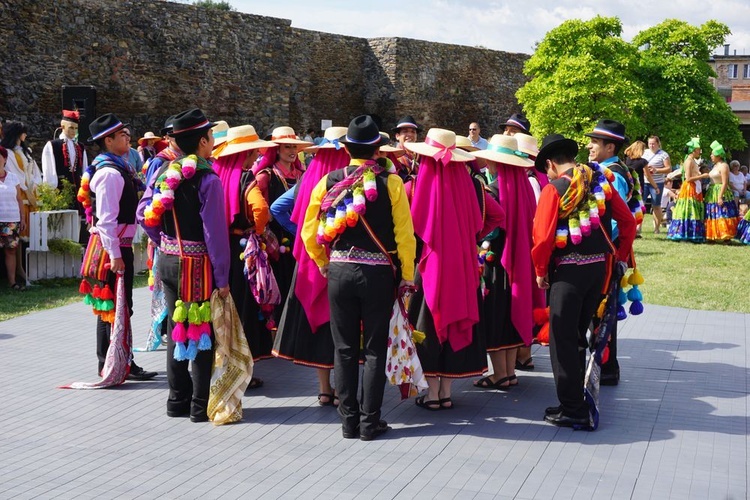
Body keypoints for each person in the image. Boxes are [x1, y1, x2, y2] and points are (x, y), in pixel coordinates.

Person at [301, 115, 415, 441]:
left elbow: (310, 232)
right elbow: (404, 236)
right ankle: (370, 422)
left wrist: (324, 262)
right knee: (376, 349)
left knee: (345, 348)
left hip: (339, 272)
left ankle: (348, 422)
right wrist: (406, 275)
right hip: (378, 273)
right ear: (378, 149)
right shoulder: (392, 183)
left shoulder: (328, 181)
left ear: (346, 148)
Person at [531, 134, 635, 428]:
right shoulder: (601, 182)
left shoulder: (555, 190)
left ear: (550, 164)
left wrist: (540, 270)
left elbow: (542, 236)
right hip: (598, 271)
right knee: (578, 334)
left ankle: (573, 408)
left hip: (567, 273)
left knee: (562, 339)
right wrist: (622, 255)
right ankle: (574, 399)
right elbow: (627, 222)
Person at [138, 108, 231, 422]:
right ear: (203, 141)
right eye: (212, 136)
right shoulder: (208, 179)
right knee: (200, 329)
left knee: (176, 326)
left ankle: (176, 400)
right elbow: (215, 235)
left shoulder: (164, 172)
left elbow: (144, 215)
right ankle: (198, 405)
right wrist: (222, 277)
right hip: (196, 265)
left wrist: (164, 239)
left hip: (167, 259)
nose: (214, 141)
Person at [273, 126, 350, 406]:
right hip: (343, 259)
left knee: (318, 326)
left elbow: (278, 208)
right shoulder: (347, 177)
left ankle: (324, 389)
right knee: (343, 326)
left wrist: (298, 236)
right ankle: (343, 389)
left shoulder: (308, 178)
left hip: (311, 259)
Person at [83, 113, 157, 381]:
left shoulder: (120, 168)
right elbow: (106, 220)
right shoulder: (110, 174)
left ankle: (120, 359)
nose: (127, 138)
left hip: (118, 246)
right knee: (112, 308)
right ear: (108, 140)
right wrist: (115, 255)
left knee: (120, 306)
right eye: (122, 135)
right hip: (111, 249)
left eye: (127, 134)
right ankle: (108, 362)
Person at [472, 134, 541, 390]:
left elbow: (489, 230)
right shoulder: (525, 186)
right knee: (512, 315)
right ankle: (510, 372)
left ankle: (499, 374)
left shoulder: (494, 189)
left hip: (496, 260)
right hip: (521, 258)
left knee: (495, 315)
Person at [211, 124, 276, 390]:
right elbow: (261, 210)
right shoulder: (246, 179)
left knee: (222, 310)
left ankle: (221, 366)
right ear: (248, 152)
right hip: (241, 249)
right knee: (243, 311)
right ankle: (241, 371)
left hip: (218, 246)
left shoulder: (216, 174)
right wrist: (256, 230)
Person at [585, 119, 642, 386]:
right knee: (601, 311)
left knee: (601, 311)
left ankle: (605, 367)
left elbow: (617, 220)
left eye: (595, 142)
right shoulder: (608, 170)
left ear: (610, 147)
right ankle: (605, 365)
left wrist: (602, 246)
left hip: (608, 254)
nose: (589, 146)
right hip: (610, 253)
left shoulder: (613, 175)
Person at [253, 126, 312, 340]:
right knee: (280, 283)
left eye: (294, 146)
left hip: (300, 241)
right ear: (276, 150)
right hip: (276, 242)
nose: (292, 151)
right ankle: (278, 333)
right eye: (287, 147)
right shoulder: (265, 176)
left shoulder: (302, 174)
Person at [2, 121, 42, 284]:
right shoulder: (8, 153)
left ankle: (24, 270)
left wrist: (35, 186)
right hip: (20, 197)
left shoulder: (28, 152)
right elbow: (15, 175)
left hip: (31, 195)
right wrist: (26, 187)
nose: (25, 135)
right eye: (23, 132)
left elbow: (34, 171)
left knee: (22, 239)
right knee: (16, 239)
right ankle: (17, 271)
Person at [667, 137, 708, 242]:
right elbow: (688, 178)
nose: (700, 151)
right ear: (693, 150)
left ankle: (691, 232)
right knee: (689, 210)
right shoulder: (689, 161)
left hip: (694, 187)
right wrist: (702, 176)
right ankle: (685, 233)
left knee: (692, 210)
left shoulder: (692, 160)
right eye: (698, 149)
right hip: (690, 187)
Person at [41, 110, 89, 196]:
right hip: (60, 192)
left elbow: (84, 170)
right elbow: (49, 170)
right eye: (71, 127)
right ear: (62, 127)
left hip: (78, 193)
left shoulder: (80, 147)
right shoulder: (52, 145)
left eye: (76, 128)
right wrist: (51, 190)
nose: (74, 131)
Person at [0, 146, 25, 290]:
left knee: (11, 250)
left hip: (11, 220)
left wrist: (22, 218)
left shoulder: (13, 177)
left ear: (4, 159)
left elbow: (19, 199)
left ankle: (12, 282)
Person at [704, 141, 739, 242]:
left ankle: (726, 237)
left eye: (712, 154)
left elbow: (724, 183)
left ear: (718, 155)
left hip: (720, 191)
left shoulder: (724, 166)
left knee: (722, 213)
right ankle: (712, 235)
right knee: (712, 213)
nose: (711, 156)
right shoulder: (715, 166)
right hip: (712, 192)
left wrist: (720, 196)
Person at [642, 136, 671, 233]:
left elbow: (668, 169)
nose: (651, 145)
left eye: (653, 143)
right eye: (650, 143)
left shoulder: (664, 155)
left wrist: (656, 170)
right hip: (644, 182)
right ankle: (638, 227)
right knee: (640, 204)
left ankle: (657, 228)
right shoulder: (644, 152)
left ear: (658, 144)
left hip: (658, 183)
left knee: (656, 205)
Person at [392, 115, 421, 180]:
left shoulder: (422, 157)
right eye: (405, 131)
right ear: (397, 136)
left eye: (413, 132)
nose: (410, 134)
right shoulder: (393, 157)